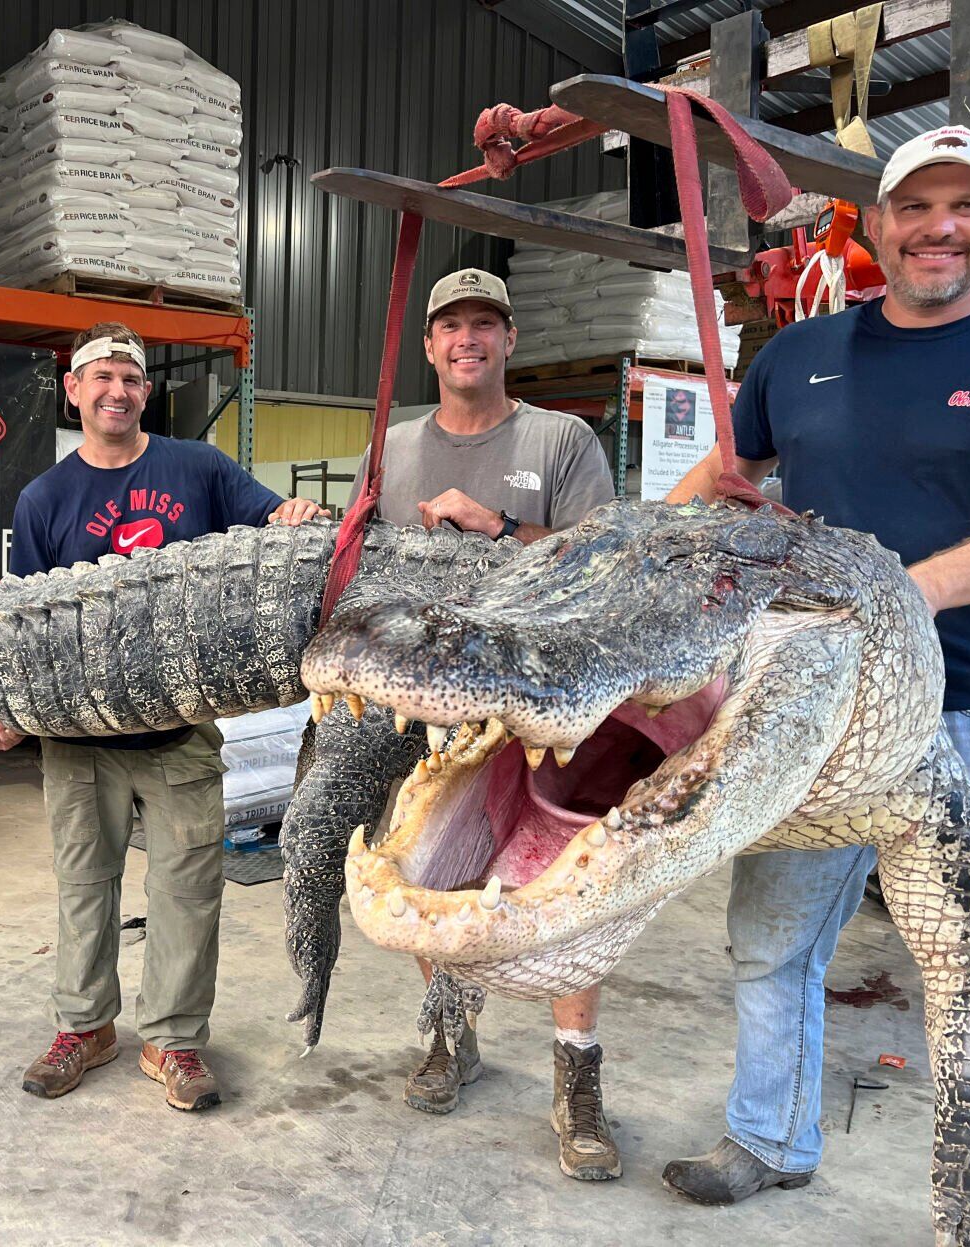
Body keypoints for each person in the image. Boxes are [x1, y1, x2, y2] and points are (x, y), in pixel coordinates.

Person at [662, 125, 970, 1226]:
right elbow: (727, 475)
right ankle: (770, 1136)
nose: (939, 229)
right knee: (773, 936)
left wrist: (904, 595)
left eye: (966, 207)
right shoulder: (802, 353)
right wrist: (622, 556)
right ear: (876, 225)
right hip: (819, 709)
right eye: (915, 206)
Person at [0, 320, 325, 1113]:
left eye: (130, 377)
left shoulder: (197, 467)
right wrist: (7, 713)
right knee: (84, 886)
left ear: (146, 390)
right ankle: (85, 1027)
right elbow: (22, 628)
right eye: (100, 377)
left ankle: (173, 1040)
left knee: (190, 887)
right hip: (76, 741)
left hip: (178, 732)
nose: (116, 390)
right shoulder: (44, 498)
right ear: (74, 391)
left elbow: (272, 522)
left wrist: (294, 514)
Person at [357, 268, 621, 1181]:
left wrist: (501, 527)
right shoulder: (390, 449)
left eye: (484, 324)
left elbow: (606, 564)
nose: (466, 339)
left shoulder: (561, 439)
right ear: (429, 346)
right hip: (431, 706)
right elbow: (361, 566)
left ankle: (577, 1077)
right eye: (449, 326)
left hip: (541, 711)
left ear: (510, 340)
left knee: (565, 878)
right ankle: (448, 1036)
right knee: (425, 868)